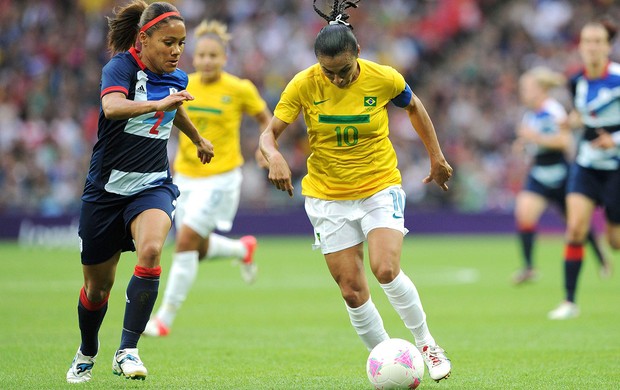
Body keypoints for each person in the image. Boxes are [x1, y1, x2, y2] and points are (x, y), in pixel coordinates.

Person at [259, 0, 453, 382]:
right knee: (351, 290)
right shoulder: (304, 83)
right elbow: (269, 134)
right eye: (329, 72)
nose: (337, 80)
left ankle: (427, 343)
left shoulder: (384, 77)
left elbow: (414, 107)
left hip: (379, 186)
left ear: (358, 53)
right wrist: (273, 156)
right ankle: (389, 358)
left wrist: (436, 157)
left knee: (385, 268)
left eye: (344, 70)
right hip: (327, 196)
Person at [66, 1, 214, 383]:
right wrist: (157, 104)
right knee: (97, 290)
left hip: (151, 186)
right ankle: (87, 350)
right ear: (144, 38)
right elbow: (112, 107)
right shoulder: (119, 68)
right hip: (106, 192)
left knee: (151, 250)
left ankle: (127, 350)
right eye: (169, 42)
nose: (177, 51)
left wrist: (197, 137)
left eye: (182, 43)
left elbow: (174, 109)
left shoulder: (177, 77)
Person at [143, 19, 272, 337]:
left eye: (213, 55)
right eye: (201, 55)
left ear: (224, 58)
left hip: (222, 177)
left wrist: (266, 147)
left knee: (185, 242)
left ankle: (164, 319)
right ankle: (242, 250)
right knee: (195, 247)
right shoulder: (184, 84)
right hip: (185, 177)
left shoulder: (239, 88)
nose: (206, 61)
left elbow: (265, 118)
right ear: (193, 57)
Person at [548, 18, 620, 320]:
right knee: (576, 227)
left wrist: (614, 139)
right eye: (587, 41)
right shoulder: (576, 80)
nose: (592, 46)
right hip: (586, 164)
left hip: (615, 166)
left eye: (598, 41)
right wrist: (571, 121)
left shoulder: (617, 78)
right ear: (580, 46)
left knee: (615, 242)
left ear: (607, 45)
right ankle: (569, 301)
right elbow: (583, 114)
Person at [511, 66, 610, 285]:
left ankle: (601, 258)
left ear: (540, 89)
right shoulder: (530, 115)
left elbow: (564, 141)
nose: (523, 92)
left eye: (526, 88)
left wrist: (534, 137)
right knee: (524, 213)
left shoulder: (553, 110)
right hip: (539, 171)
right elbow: (532, 142)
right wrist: (523, 144)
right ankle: (529, 268)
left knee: (577, 224)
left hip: (561, 171)